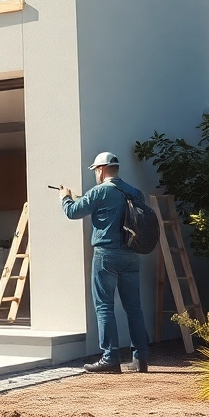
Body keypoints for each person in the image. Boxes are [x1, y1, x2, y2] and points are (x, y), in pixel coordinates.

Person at [57, 152, 151, 374]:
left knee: (104, 306)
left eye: (95, 171)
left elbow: (72, 212)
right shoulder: (135, 192)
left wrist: (64, 197)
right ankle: (141, 358)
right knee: (134, 308)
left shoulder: (99, 191)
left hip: (106, 255)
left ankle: (110, 358)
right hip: (131, 254)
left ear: (100, 170)